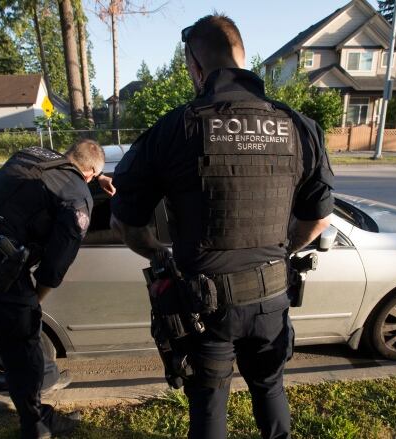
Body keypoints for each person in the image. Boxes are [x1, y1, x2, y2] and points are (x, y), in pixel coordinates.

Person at [109, 14, 335, 439]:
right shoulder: (299, 126)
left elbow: (126, 222)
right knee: (269, 387)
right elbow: (319, 217)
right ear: (243, 58)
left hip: (205, 307)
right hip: (271, 297)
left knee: (210, 404)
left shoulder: (175, 127)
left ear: (196, 67)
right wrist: (281, 251)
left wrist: (161, 253)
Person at [0, 139, 112, 439]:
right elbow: (57, 262)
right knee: (24, 344)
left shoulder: (31, 156)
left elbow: (49, 185)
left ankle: (35, 415)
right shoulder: (78, 197)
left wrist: (95, 180)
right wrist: (36, 299)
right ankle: (36, 425)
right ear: (90, 174)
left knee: (11, 337)